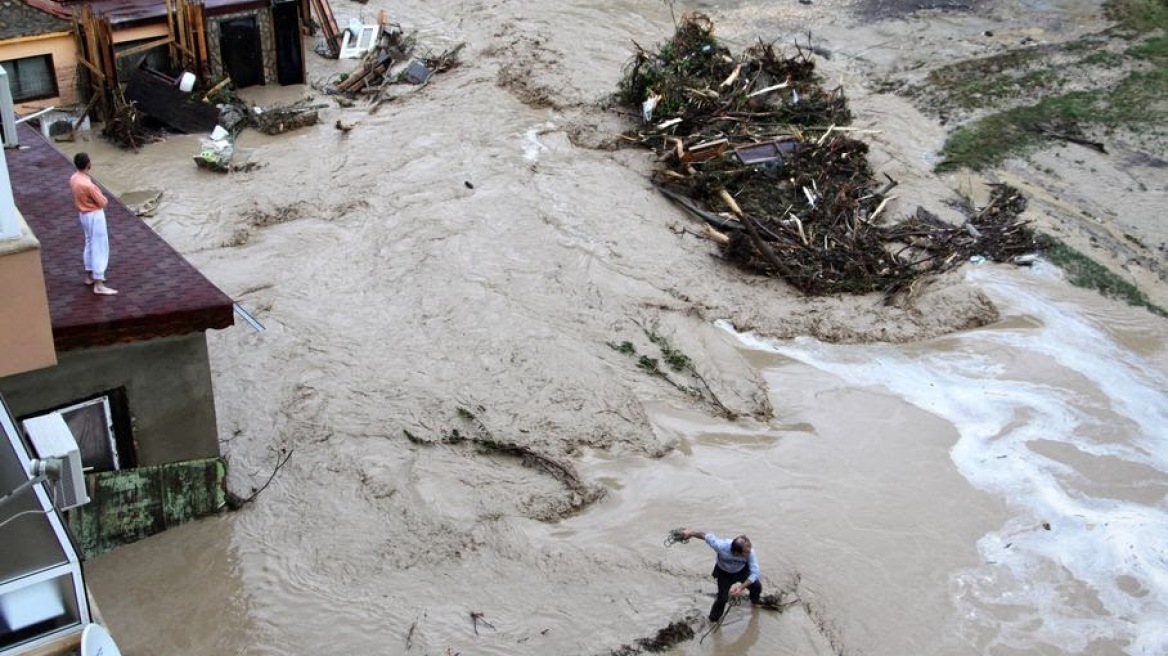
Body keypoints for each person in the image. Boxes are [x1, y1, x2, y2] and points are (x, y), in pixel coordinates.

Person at [681, 529, 762, 621]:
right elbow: (705, 536)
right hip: (724, 573)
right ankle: (713, 619)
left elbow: (755, 573)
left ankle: (755, 601)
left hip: (741, 571)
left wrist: (740, 588)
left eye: (749, 551)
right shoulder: (721, 546)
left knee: (756, 586)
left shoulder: (750, 552)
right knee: (722, 599)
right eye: (745, 553)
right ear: (736, 552)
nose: (749, 553)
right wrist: (690, 533)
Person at [69, 152, 117, 295]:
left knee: (89, 242)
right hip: (95, 215)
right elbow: (103, 202)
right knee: (100, 246)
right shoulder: (89, 185)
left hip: (83, 215)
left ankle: (89, 276)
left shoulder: (73, 178)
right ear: (88, 165)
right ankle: (99, 283)